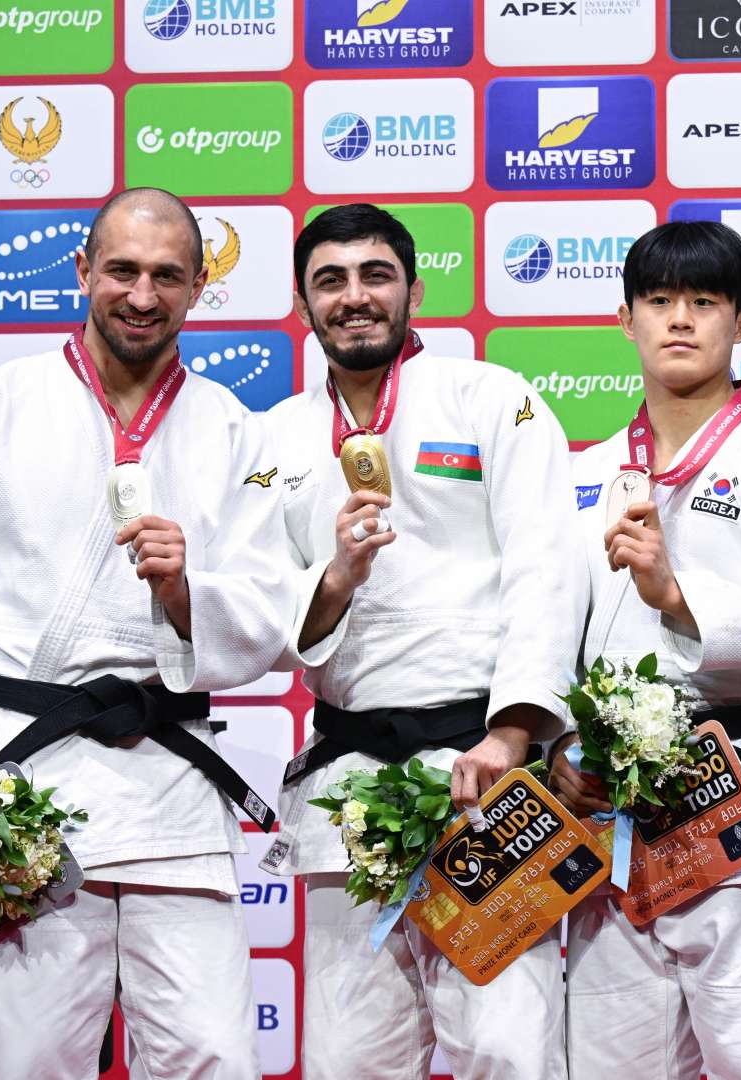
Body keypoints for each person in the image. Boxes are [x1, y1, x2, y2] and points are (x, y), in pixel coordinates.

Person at [0, 187, 297, 1080]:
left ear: (199, 286)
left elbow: (263, 619)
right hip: (27, 792)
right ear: (82, 271)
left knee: (213, 1054)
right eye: (124, 271)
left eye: (168, 276)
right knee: (30, 1061)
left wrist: (188, 593)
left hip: (174, 790)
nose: (143, 295)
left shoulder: (233, 428)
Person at [259, 203, 583, 1078]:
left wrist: (514, 734)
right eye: (331, 280)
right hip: (351, 786)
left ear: (413, 290)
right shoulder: (276, 438)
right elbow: (254, 605)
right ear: (303, 303)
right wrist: (331, 582)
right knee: (349, 1057)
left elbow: (546, 568)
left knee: (509, 1048)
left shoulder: (493, 398)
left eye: (375, 275)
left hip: (488, 778)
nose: (354, 297)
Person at [547, 220, 741, 1079]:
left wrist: (677, 595)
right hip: (613, 823)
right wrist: (556, 752)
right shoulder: (585, 472)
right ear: (625, 321)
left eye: (704, 302)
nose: (679, 320)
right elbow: (548, 634)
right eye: (658, 302)